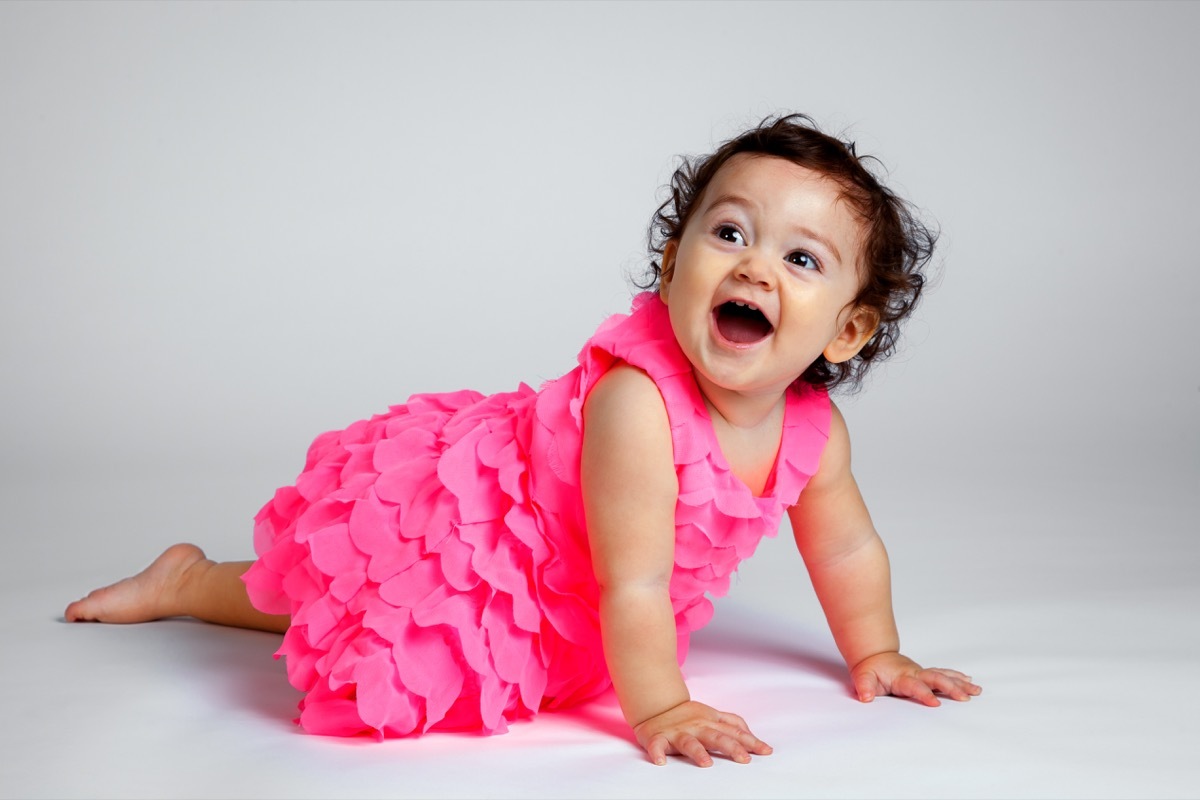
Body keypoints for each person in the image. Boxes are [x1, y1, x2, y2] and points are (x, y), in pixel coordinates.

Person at [64, 114, 981, 768]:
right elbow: (636, 580)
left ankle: (194, 579)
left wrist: (877, 654)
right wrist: (658, 705)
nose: (752, 264)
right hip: (494, 534)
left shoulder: (815, 431)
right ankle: (187, 580)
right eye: (729, 231)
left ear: (845, 333)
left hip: (577, 593)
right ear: (673, 266)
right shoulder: (639, 405)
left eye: (801, 259)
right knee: (361, 616)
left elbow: (848, 546)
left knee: (376, 626)